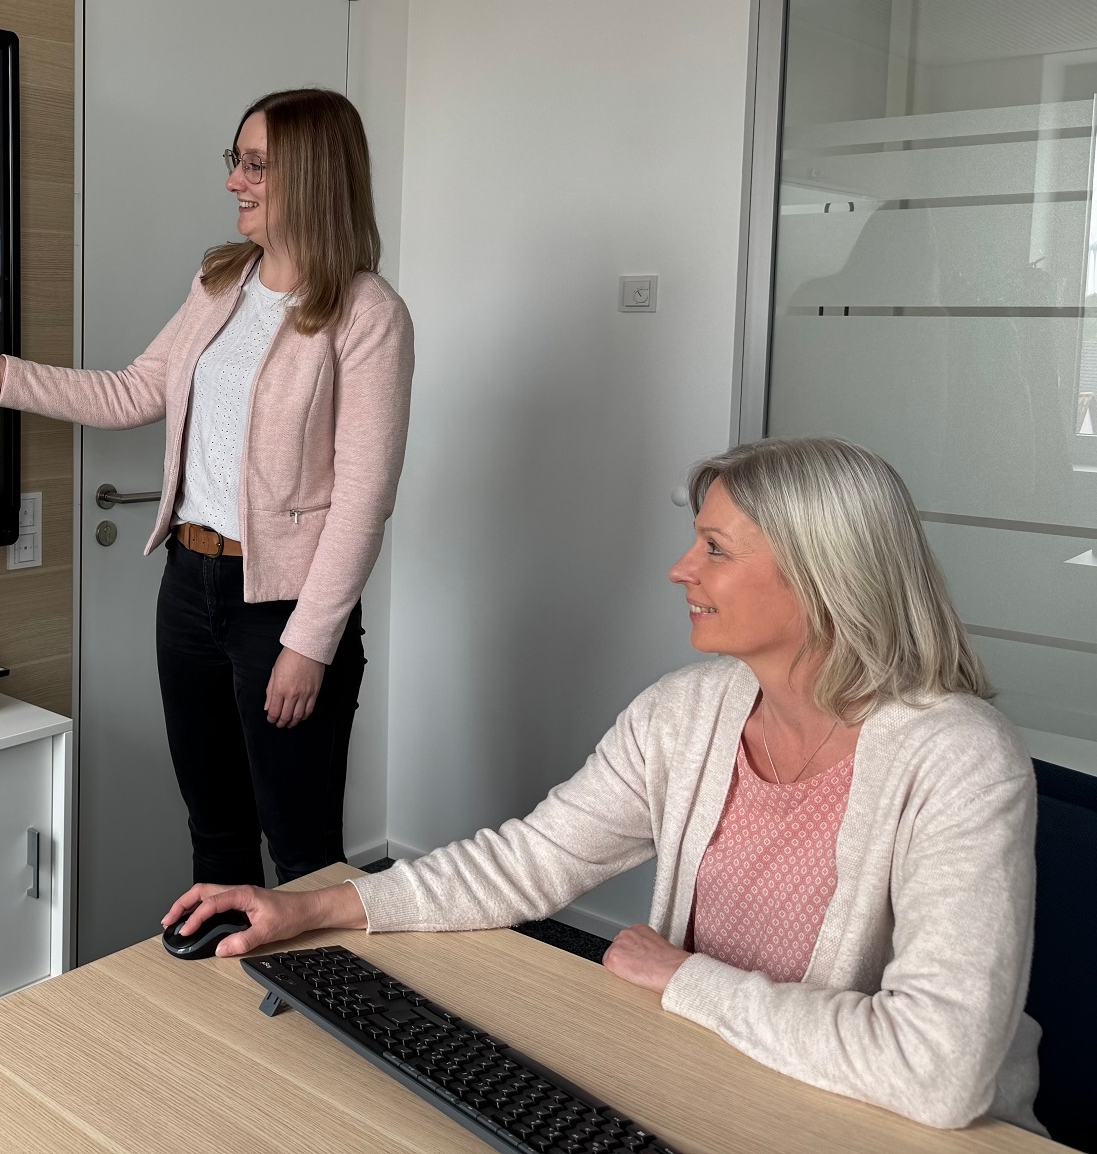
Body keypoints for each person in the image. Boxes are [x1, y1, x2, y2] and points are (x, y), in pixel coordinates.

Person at [164, 437, 1043, 1134]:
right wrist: (316, 908)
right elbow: (528, 863)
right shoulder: (687, 713)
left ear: (825, 576)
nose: (679, 570)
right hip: (700, 1079)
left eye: (714, 548)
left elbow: (939, 1069)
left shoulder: (959, 758)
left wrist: (682, 979)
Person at [0, 87, 414, 887]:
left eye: (255, 164)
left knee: (305, 853)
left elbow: (363, 500)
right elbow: (136, 392)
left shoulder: (366, 313)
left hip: (284, 604)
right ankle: (218, 1002)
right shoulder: (219, 283)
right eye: (235, 160)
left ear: (310, 174)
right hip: (189, 586)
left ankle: (330, 1006)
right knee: (216, 831)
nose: (235, 180)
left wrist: (309, 644)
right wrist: (3, 374)